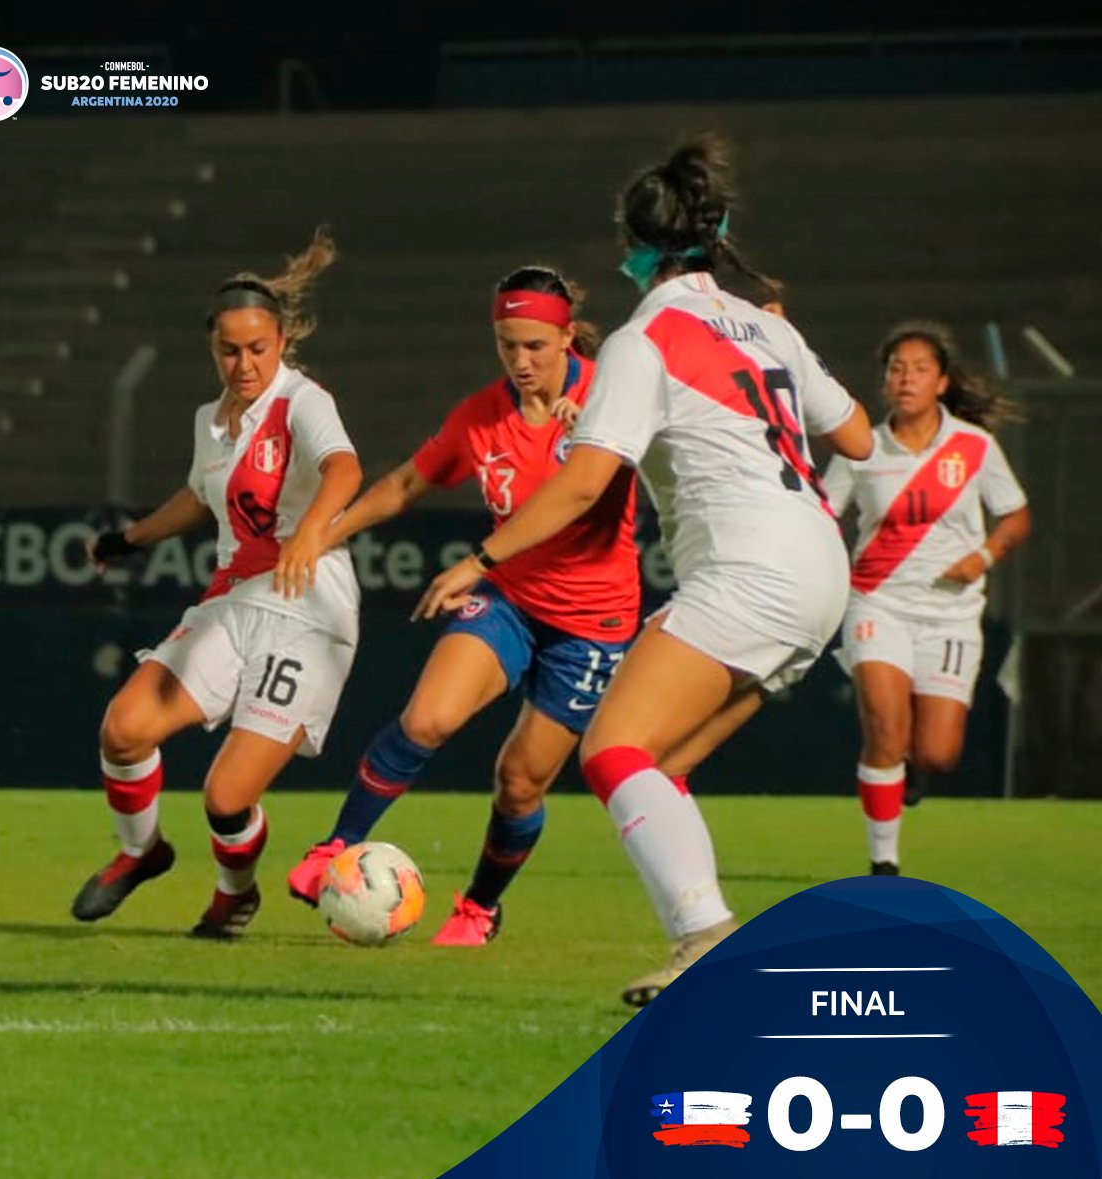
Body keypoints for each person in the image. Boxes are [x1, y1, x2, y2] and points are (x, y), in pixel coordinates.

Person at [414, 134, 874, 1005]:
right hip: (819, 566)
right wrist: (783, 348)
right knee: (658, 764)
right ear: (720, 228)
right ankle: (709, 943)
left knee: (613, 749)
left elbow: (586, 481)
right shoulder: (768, 327)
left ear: (631, 247)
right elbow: (855, 438)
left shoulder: (645, 339)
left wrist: (481, 557)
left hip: (751, 571)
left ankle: (706, 941)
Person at [284, 265, 642, 945]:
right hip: (512, 599)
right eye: (507, 344)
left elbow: (606, 486)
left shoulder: (610, 403)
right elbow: (406, 483)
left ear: (568, 338)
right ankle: (336, 847)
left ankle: (479, 905)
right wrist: (322, 533)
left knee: (519, 783)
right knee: (428, 717)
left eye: (535, 345)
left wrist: (594, 431)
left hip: (592, 627)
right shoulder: (484, 415)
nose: (520, 360)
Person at [71, 229, 363, 938]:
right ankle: (141, 852)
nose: (244, 363)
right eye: (229, 350)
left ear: (282, 339)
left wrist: (312, 532)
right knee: (125, 728)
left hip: (309, 607)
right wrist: (130, 538)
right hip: (236, 599)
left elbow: (344, 471)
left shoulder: (302, 400)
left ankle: (235, 893)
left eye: (257, 348)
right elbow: (201, 497)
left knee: (226, 795)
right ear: (213, 347)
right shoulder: (213, 419)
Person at [823, 319, 1031, 875]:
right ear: (885, 382)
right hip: (878, 603)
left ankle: (912, 769)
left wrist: (983, 557)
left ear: (941, 382)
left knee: (938, 752)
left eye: (919, 369)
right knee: (885, 730)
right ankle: (884, 864)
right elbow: (823, 513)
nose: (906, 379)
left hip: (951, 616)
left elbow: (1015, 514)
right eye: (896, 369)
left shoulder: (974, 447)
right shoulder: (862, 447)